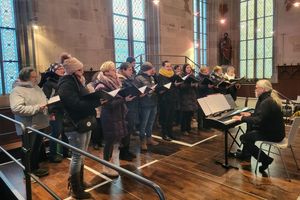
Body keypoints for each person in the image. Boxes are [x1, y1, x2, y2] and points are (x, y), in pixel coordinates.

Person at [58, 53, 101, 199]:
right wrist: (96, 102)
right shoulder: (66, 83)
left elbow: (83, 99)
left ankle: (80, 181)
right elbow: (74, 104)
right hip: (74, 124)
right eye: (80, 70)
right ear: (72, 70)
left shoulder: (77, 81)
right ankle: (75, 188)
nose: (83, 72)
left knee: (82, 155)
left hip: (84, 120)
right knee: (77, 156)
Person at [232, 79, 285, 173]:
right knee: (249, 132)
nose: (254, 89)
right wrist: (250, 115)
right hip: (275, 131)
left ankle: (265, 159)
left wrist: (241, 118)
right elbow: (262, 116)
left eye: (256, 88)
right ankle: (246, 155)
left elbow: (259, 120)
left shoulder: (266, 102)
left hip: (273, 134)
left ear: (263, 89)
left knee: (244, 138)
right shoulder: (268, 99)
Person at [95, 61, 133, 177]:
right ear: (106, 72)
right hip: (109, 115)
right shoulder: (101, 86)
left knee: (116, 141)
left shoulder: (116, 82)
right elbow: (107, 104)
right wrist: (124, 99)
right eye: (112, 69)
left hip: (118, 114)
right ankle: (106, 166)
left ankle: (113, 163)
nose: (115, 71)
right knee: (109, 141)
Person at [10, 67, 49, 177]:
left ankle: (35, 168)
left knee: (37, 148)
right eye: (33, 77)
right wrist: (37, 108)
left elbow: (44, 99)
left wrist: (47, 105)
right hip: (28, 125)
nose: (36, 79)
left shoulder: (36, 87)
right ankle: (27, 172)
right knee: (28, 150)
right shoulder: (17, 90)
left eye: (36, 77)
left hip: (40, 122)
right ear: (25, 78)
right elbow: (17, 108)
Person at [42, 63, 69, 162]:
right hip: (55, 111)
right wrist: (51, 112)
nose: (62, 70)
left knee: (65, 131)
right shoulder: (48, 83)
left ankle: (65, 151)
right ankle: (53, 155)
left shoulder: (64, 81)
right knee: (56, 132)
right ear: (53, 71)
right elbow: (46, 99)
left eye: (63, 68)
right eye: (59, 69)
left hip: (64, 110)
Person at [135, 62, 159, 150]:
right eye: (152, 68)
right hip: (144, 103)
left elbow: (152, 87)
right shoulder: (138, 78)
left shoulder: (152, 77)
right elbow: (136, 92)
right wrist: (145, 92)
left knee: (151, 122)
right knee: (144, 123)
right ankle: (142, 141)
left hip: (153, 102)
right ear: (148, 69)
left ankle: (149, 138)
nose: (154, 69)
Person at [117, 62, 138, 161]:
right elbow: (121, 93)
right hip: (125, 107)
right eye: (129, 69)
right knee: (125, 131)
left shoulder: (129, 79)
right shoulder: (120, 79)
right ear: (123, 70)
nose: (132, 71)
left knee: (129, 130)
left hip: (131, 106)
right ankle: (123, 153)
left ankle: (127, 150)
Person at [157, 60, 178, 141]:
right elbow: (161, 87)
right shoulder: (161, 75)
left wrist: (176, 85)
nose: (169, 68)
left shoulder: (173, 75)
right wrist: (173, 85)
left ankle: (170, 133)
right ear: (163, 67)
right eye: (167, 66)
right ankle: (164, 134)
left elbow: (172, 86)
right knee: (165, 118)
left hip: (172, 98)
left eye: (170, 66)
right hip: (164, 100)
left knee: (171, 117)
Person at [179, 64, 198, 135]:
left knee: (190, 114)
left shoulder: (192, 76)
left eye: (190, 68)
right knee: (185, 114)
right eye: (187, 67)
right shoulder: (181, 76)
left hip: (192, 97)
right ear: (184, 69)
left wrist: (196, 85)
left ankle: (188, 128)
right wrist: (190, 85)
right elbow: (181, 86)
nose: (189, 69)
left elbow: (196, 84)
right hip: (184, 97)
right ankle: (183, 129)